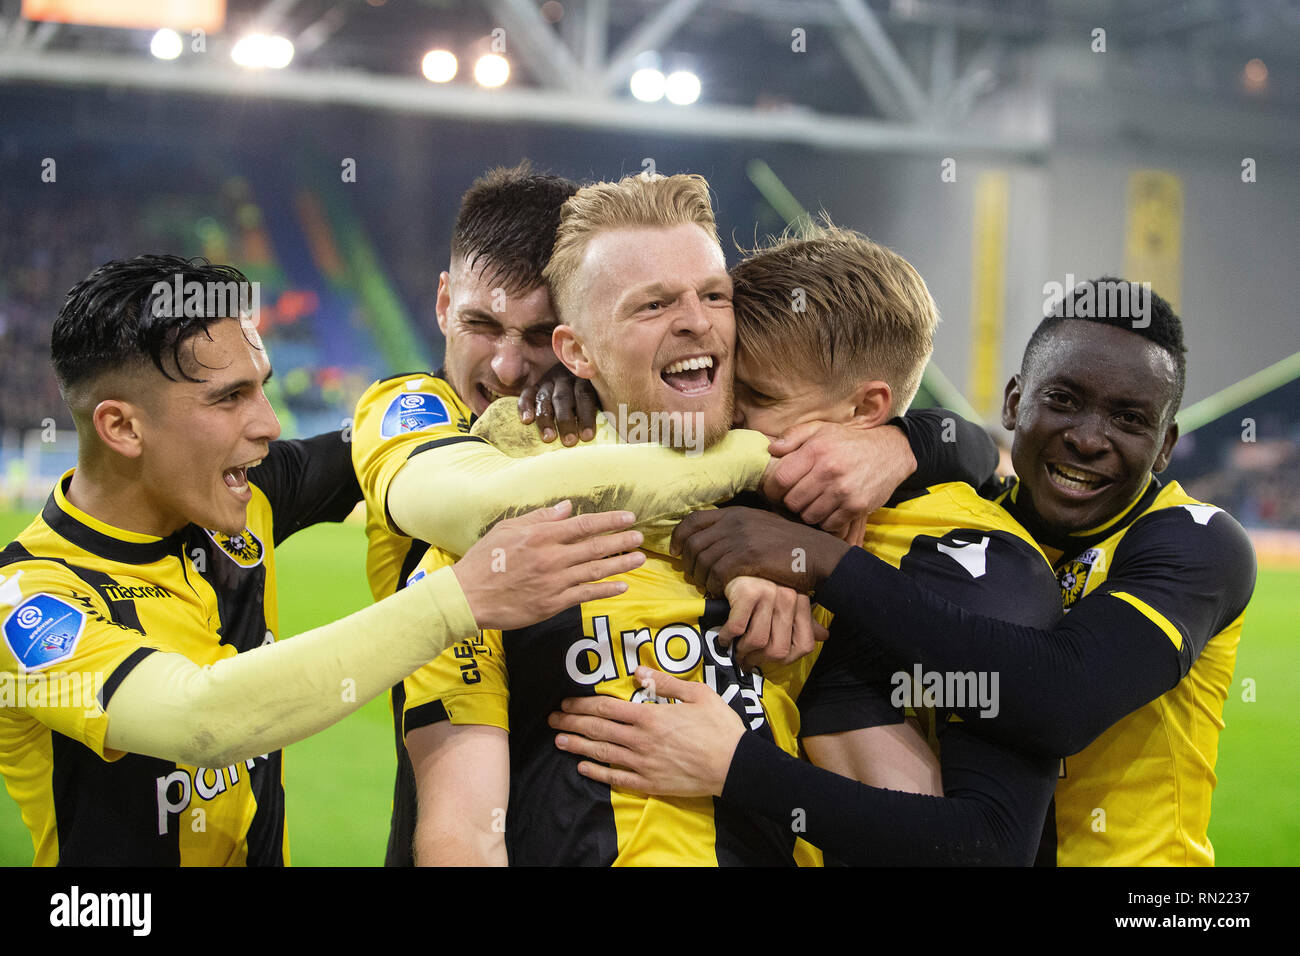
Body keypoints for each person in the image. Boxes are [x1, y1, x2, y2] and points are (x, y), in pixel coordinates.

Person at [354, 164, 996, 864]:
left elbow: (956, 831)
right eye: (651, 305)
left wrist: (919, 441)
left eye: (714, 295)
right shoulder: (502, 545)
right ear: (577, 354)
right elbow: (464, 834)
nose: (694, 320)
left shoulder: (820, 516)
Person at [0, 254, 646, 865]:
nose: (270, 424)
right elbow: (201, 718)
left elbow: (399, 437)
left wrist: (562, 373)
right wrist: (460, 599)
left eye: (264, 389)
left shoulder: (243, 495)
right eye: (229, 399)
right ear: (122, 427)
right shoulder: (25, 602)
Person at [632, 278, 1255, 866]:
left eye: (1129, 419)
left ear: (1167, 445)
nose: (1089, 439)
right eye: (1062, 401)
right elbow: (963, 445)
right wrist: (902, 443)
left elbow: (1063, 700)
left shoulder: (1196, 543)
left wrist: (821, 562)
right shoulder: (976, 511)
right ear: (1014, 403)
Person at [549, 226, 1065, 865]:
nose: (726, 413)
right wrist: (566, 385)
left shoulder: (969, 561)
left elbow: (982, 852)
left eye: (758, 398)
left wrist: (737, 768)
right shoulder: (747, 501)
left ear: (867, 412)